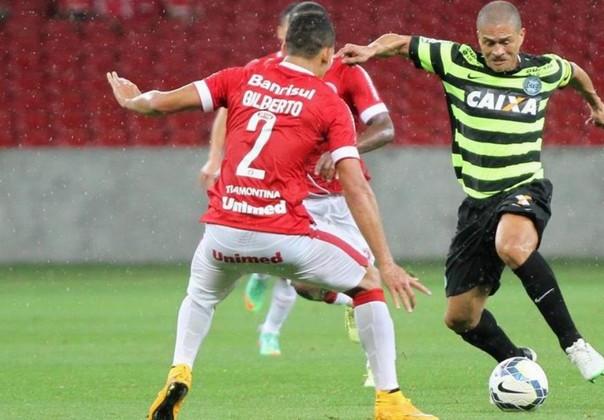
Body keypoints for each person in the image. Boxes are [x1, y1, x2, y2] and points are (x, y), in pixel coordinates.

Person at [107, 11, 436, 420]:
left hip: (222, 234)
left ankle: (180, 371)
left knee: (200, 297)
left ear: (284, 45)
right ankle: (390, 402)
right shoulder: (328, 102)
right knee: (368, 282)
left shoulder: (239, 78)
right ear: (327, 53)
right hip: (282, 236)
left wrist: (131, 100)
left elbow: (158, 103)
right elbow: (356, 186)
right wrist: (386, 263)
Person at [339, 0, 604, 383]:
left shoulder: (543, 70)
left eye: (505, 42)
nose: (497, 51)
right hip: (477, 204)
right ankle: (518, 360)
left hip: (524, 186)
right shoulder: (457, 60)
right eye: (489, 43)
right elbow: (400, 42)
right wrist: (369, 50)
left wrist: (595, 103)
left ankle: (574, 344)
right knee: (460, 317)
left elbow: (575, 73)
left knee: (513, 246)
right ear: (477, 40)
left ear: (521, 37)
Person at [200, 1, 395, 380]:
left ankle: (379, 373)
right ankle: (275, 296)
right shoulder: (261, 70)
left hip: (342, 198)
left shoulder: (345, 70)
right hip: (297, 197)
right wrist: (214, 158)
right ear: (282, 34)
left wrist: (345, 149)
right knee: (304, 284)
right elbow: (227, 107)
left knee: (368, 278)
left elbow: (385, 127)